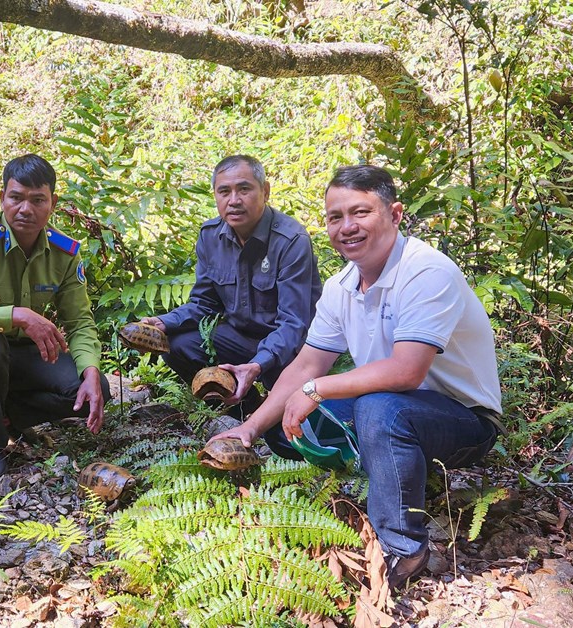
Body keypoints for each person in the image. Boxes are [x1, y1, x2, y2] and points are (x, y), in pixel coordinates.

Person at [213, 165, 503, 589]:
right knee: (286, 424)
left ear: (395, 213)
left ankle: (404, 548)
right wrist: (251, 427)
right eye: (335, 217)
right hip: (397, 413)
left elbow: (407, 371)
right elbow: (307, 365)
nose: (347, 227)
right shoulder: (342, 285)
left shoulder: (426, 271)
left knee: (379, 410)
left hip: (464, 421)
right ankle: (392, 474)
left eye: (360, 212)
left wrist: (317, 389)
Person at [0, 154, 110, 482]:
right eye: (16, 198)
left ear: (52, 203)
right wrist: (16, 316)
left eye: (37, 200)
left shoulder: (64, 252)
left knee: (92, 390)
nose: (25, 209)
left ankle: (5, 414)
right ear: (2, 198)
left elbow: (80, 321)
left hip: (22, 357)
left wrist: (90, 369)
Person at [141, 155, 321, 416]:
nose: (234, 200)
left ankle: (268, 409)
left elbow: (294, 323)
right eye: (224, 191)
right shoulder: (210, 236)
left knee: (294, 420)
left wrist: (259, 364)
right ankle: (240, 409)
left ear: (265, 191)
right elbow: (204, 303)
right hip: (238, 339)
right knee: (177, 343)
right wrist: (164, 321)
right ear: (215, 195)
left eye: (244, 189)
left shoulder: (291, 240)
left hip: (290, 349)